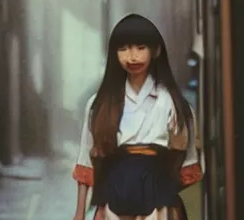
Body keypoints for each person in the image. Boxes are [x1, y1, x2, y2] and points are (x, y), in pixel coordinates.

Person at [72, 13, 202, 220]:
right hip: (113, 201)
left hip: (158, 202)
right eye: (123, 49)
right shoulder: (98, 105)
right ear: (114, 54)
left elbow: (188, 167)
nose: (132, 57)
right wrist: (79, 214)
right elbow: (86, 163)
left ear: (156, 51)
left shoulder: (174, 103)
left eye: (140, 48)